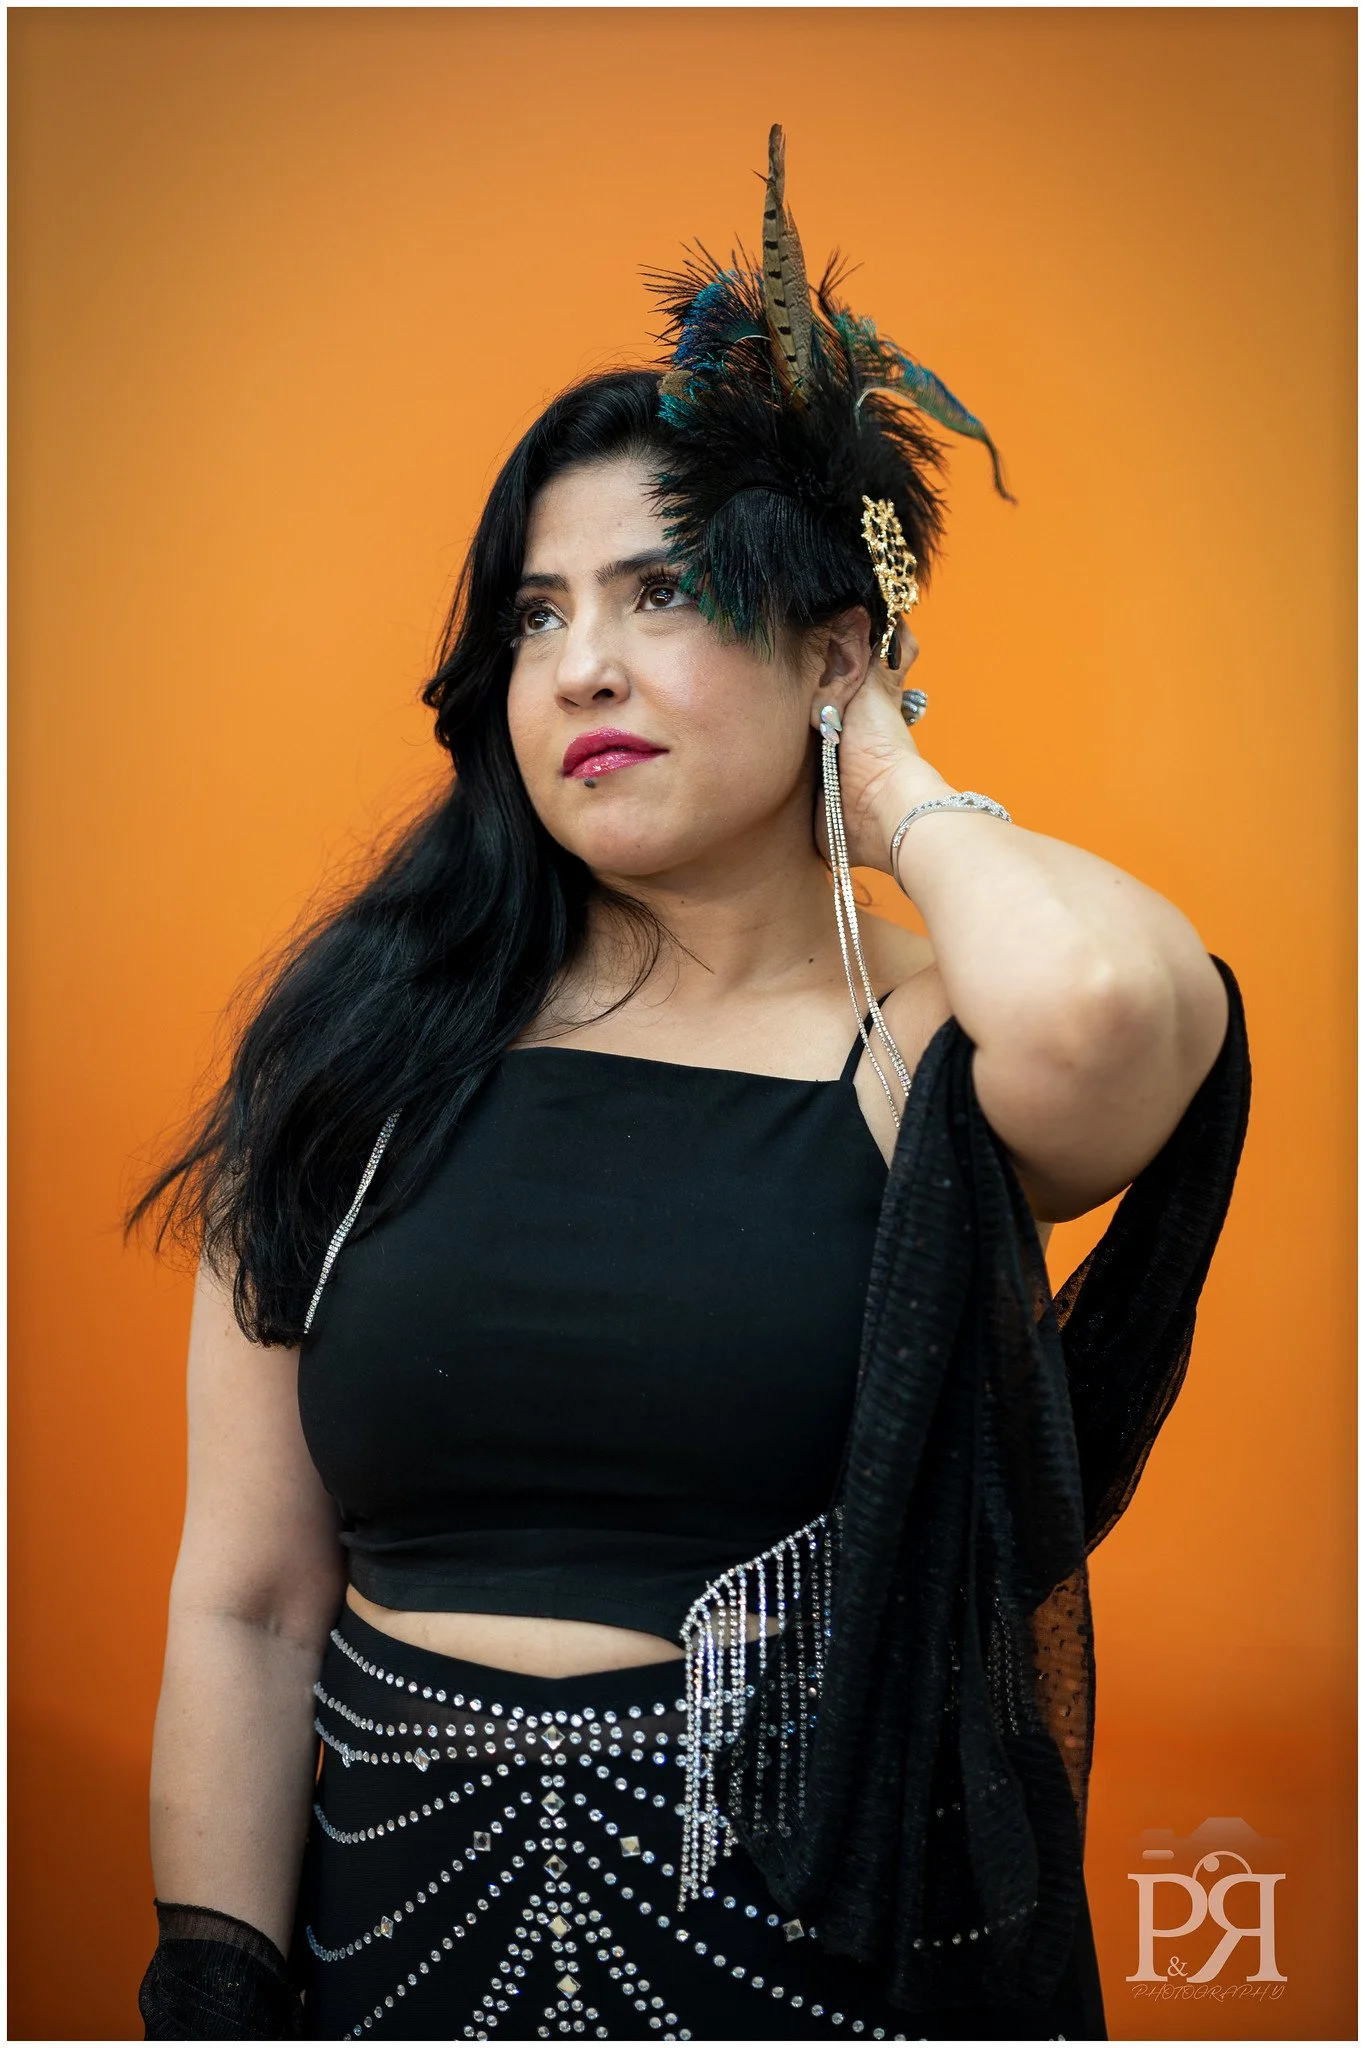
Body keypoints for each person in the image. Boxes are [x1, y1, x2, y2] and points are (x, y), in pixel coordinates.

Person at [129, 129, 1248, 2042]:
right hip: (389, 1953)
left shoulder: (936, 1051)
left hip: (819, 1972)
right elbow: (243, 1605)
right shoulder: (359, 1048)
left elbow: (1098, 993)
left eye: (661, 594)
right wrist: (215, 1986)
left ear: (833, 651)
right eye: (538, 614)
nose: (580, 667)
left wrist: (880, 765)